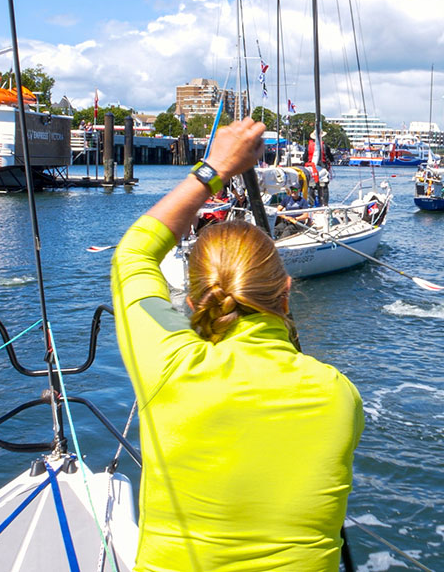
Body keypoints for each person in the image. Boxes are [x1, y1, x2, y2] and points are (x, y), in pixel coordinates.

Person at [111, 116, 363, 570]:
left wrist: (216, 168)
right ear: (285, 290)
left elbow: (133, 253)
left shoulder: (170, 369)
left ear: (190, 302)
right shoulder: (338, 393)